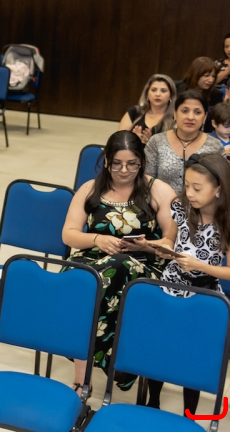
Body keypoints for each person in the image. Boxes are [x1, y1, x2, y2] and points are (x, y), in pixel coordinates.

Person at [61, 130, 177, 393]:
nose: (124, 170)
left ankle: (82, 378)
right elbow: (68, 234)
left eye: (132, 164)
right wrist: (97, 239)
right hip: (93, 258)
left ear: (142, 162)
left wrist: (146, 245)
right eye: (117, 164)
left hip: (141, 265)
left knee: (117, 267)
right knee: (82, 278)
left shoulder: (158, 190)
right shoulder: (90, 189)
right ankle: (112, 362)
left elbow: (171, 243)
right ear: (106, 161)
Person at [144, 153, 230, 413]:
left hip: (204, 292)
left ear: (218, 189)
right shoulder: (181, 207)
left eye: (197, 188)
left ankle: (189, 413)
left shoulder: (226, 221)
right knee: (159, 345)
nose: (189, 193)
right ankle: (153, 401)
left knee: (191, 353)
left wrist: (200, 266)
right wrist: (159, 247)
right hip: (171, 282)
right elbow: (170, 239)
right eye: (187, 186)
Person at [145, 90, 224, 193]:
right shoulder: (156, 142)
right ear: (175, 113)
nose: (190, 117)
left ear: (204, 117)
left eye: (197, 112)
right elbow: (146, 180)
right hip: (160, 202)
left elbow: (222, 185)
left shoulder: (215, 146)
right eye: (185, 111)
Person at [117, 74, 176, 145]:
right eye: (154, 90)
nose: (158, 94)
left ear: (171, 96)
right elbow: (118, 142)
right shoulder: (135, 112)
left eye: (163, 91)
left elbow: (177, 148)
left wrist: (150, 144)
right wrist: (133, 140)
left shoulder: (176, 117)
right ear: (147, 94)